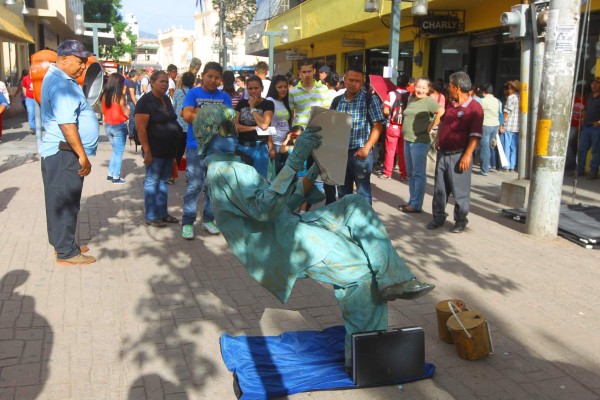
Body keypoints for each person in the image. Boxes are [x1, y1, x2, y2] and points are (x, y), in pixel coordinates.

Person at [192, 103, 435, 370]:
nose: (233, 135)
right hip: (286, 242)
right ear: (209, 133)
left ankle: (394, 279)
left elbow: (279, 203)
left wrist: (314, 169)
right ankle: (366, 358)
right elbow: (265, 210)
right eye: (226, 129)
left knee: (353, 204)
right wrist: (297, 158)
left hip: (289, 226)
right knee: (361, 274)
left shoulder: (232, 168)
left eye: (232, 128)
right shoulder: (227, 172)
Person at [39, 39, 98, 265]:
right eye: (79, 61)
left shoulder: (59, 78)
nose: (84, 65)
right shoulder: (61, 84)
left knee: (58, 201)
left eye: (84, 61)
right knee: (66, 202)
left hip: (59, 153)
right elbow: (67, 124)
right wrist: (82, 155)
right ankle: (67, 253)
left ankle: (63, 244)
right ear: (63, 59)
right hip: (64, 153)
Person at [427, 71, 483, 234]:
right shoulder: (451, 104)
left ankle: (460, 220)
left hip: (460, 155)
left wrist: (467, 155)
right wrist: (438, 138)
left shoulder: (475, 108)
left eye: (450, 86)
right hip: (443, 153)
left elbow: (475, 135)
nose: (448, 89)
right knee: (440, 189)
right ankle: (438, 217)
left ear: (457, 87)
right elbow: (443, 123)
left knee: (460, 192)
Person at [181, 62, 232, 239]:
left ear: (221, 80)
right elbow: (186, 116)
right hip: (195, 146)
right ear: (202, 75)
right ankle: (188, 222)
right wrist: (214, 115)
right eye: (209, 76)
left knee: (213, 185)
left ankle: (208, 219)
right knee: (194, 185)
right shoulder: (193, 93)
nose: (213, 80)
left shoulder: (224, 96)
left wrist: (200, 113)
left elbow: (227, 122)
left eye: (217, 77)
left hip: (217, 147)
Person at [329, 65, 385, 205]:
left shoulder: (369, 99)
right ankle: (346, 223)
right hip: (341, 154)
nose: (354, 84)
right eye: (351, 80)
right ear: (345, 79)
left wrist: (367, 148)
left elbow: (377, 126)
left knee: (363, 193)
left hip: (361, 154)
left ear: (362, 82)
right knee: (342, 193)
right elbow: (332, 126)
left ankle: (364, 225)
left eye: (358, 81)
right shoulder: (337, 101)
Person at [135, 70, 181, 228]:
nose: (164, 84)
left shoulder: (166, 99)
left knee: (163, 182)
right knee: (152, 183)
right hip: (154, 150)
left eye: (166, 82)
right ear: (152, 82)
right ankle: (151, 216)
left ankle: (162, 213)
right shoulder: (145, 101)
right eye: (161, 81)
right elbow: (141, 128)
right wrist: (147, 151)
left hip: (168, 150)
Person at [399, 77, 444, 214]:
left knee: (418, 174)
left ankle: (416, 205)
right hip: (407, 139)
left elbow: (441, 111)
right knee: (411, 173)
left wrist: (431, 125)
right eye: (418, 86)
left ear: (428, 89)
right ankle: (412, 201)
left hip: (419, 141)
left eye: (423, 88)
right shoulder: (411, 98)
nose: (420, 90)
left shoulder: (428, 101)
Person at [235, 75, 274, 177]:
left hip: (260, 147)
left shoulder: (268, 104)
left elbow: (264, 125)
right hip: (241, 146)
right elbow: (235, 126)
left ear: (262, 88)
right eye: (250, 88)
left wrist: (252, 107)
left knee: (260, 180)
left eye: (256, 88)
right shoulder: (241, 103)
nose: (253, 91)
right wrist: (254, 128)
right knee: (242, 179)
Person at [380, 73, 410, 181]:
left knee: (390, 150)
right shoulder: (411, 96)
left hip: (393, 126)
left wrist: (389, 115)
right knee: (404, 151)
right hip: (406, 127)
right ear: (408, 84)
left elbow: (385, 110)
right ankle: (404, 174)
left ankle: (387, 173)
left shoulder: (392, 94)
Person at [101, 73, 130, 184]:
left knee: (115, 151)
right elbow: (126, 112)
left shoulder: (105, 95)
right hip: (119, 126)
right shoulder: (119, 97)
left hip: (108, 125)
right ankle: (116, 177)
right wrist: (128, 108)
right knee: (118, 153)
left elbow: (103, 111)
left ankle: (110, 174)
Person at [288, 59, 330, 128]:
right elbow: (291, 115)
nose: (307, 74)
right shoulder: (292, 92)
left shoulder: (323, 89)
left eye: (309, 71)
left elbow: (326, 111)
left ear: (314, 71)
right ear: (299, 72)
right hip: (299, 132)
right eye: (304, 72)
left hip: (317, 131)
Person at [265, 75, 292, 173]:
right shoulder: (269, 101)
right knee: (274, 175)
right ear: (274, 88)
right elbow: (267, 125)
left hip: (284, 144)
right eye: (280, 87)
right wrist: (271, 146)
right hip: (274, 144)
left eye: (285, 86)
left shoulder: (284, 102)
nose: (283, 89)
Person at [577, 77, 600, 180]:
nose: (594, 85)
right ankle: (580, 170)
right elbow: (585, 110)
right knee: (582, 149)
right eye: (593, 83)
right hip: (586, 127)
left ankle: (593, 172)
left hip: (596, 128)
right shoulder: (590, 96)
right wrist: (582, 120)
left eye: (597, 84)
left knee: (596, 151)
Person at [478, 83, 502, 176]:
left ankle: (484, 169)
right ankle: (487, 165)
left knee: (485, 148)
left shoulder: (481, 101)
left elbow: (478, 114)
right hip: (495, 125)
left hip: (485, 125)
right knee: (487, 146)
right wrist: (501, 125)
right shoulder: (498, 101)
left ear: (484, 92)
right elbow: (500, 114)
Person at [500, 80, 520, 172]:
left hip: (509, 125)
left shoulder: (511, 97)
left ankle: (506, 166)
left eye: (509, 88)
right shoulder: (520, 97)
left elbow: (506, 112)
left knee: (506, 146)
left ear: (513, 88)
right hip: (517, 126)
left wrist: (502, 123)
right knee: (514, 147)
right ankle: (512, 165)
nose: (507, 90)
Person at [124, 70, 140, 141]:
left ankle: (131, 134)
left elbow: (124, 92)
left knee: (132, 118)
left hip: (129, 102)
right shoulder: (131, 83)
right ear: (135, 75)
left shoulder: (129, 82)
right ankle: (131, 134)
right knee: (132, 118)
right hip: (131, 102)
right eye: (138, 75)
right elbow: (132, 95)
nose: (138, 76)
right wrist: (136, 104)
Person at [20, 70, 36, 135]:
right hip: (29, 99)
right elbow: (23, 86)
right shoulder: (25, 78)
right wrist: (25, 94)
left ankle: (37, 126)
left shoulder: (38, 77)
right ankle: (32, 127)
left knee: (38, 113)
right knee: (31, 112)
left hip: (38, 98)